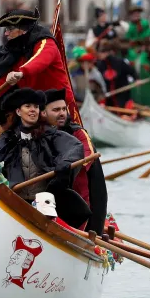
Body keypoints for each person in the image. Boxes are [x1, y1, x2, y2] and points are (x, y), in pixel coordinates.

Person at [0, 8, 78, 122]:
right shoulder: (17, 51)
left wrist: (22, 72)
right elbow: (2, 79)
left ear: (23, 30)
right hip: (37, 110)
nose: (6, 33)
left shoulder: (46, 43)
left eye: (10, 29)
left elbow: (40, 60)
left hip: (60, 108)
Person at [0, 88, 83, 202]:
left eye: (36, 107)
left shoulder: (50, 135)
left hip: (47, 201)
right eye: (28, 106)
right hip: (16, 201)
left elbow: (75, 147)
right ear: (18, 111)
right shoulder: (6, 139)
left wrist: (65, 163)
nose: (33, 110)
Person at [43, 89, 108, 235]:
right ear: (43, 113)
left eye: (63, 109)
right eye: (56, 110)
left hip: (80, 195)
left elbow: (86, 159)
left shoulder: (78, 133)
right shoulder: (38, 133)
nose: (61, 113)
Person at [96, 37, 137, 109]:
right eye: (99, 52)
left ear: (107, 52)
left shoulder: (119, 62)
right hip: (108, 96)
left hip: (122, 94)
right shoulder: (99, 65)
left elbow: (132, 72)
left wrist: (137, 80)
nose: (100, 54)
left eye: (102, 52)